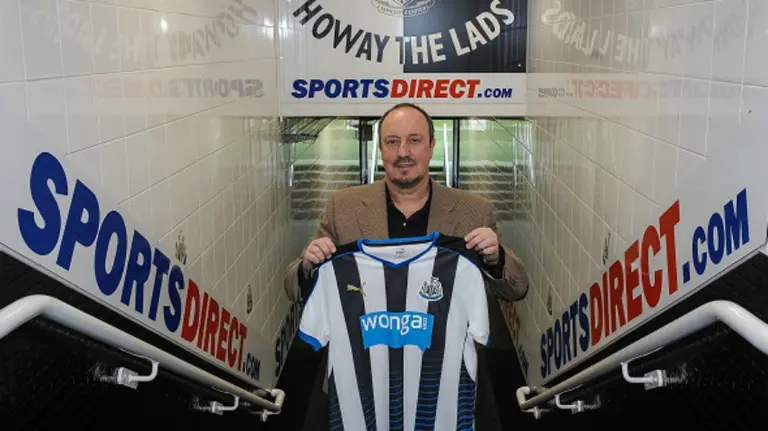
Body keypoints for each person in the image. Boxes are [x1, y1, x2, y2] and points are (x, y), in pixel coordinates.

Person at [284, 102, 529, 305]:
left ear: (431, 146)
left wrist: (496, 259)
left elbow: (516, 290)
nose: (403, 152)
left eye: (414, 140)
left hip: (443, 359)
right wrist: (308, 264)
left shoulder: (474, 211)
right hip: (364, 357)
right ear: (380, 148)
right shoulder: (343, 207)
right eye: (392, 142)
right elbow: (294, 290)